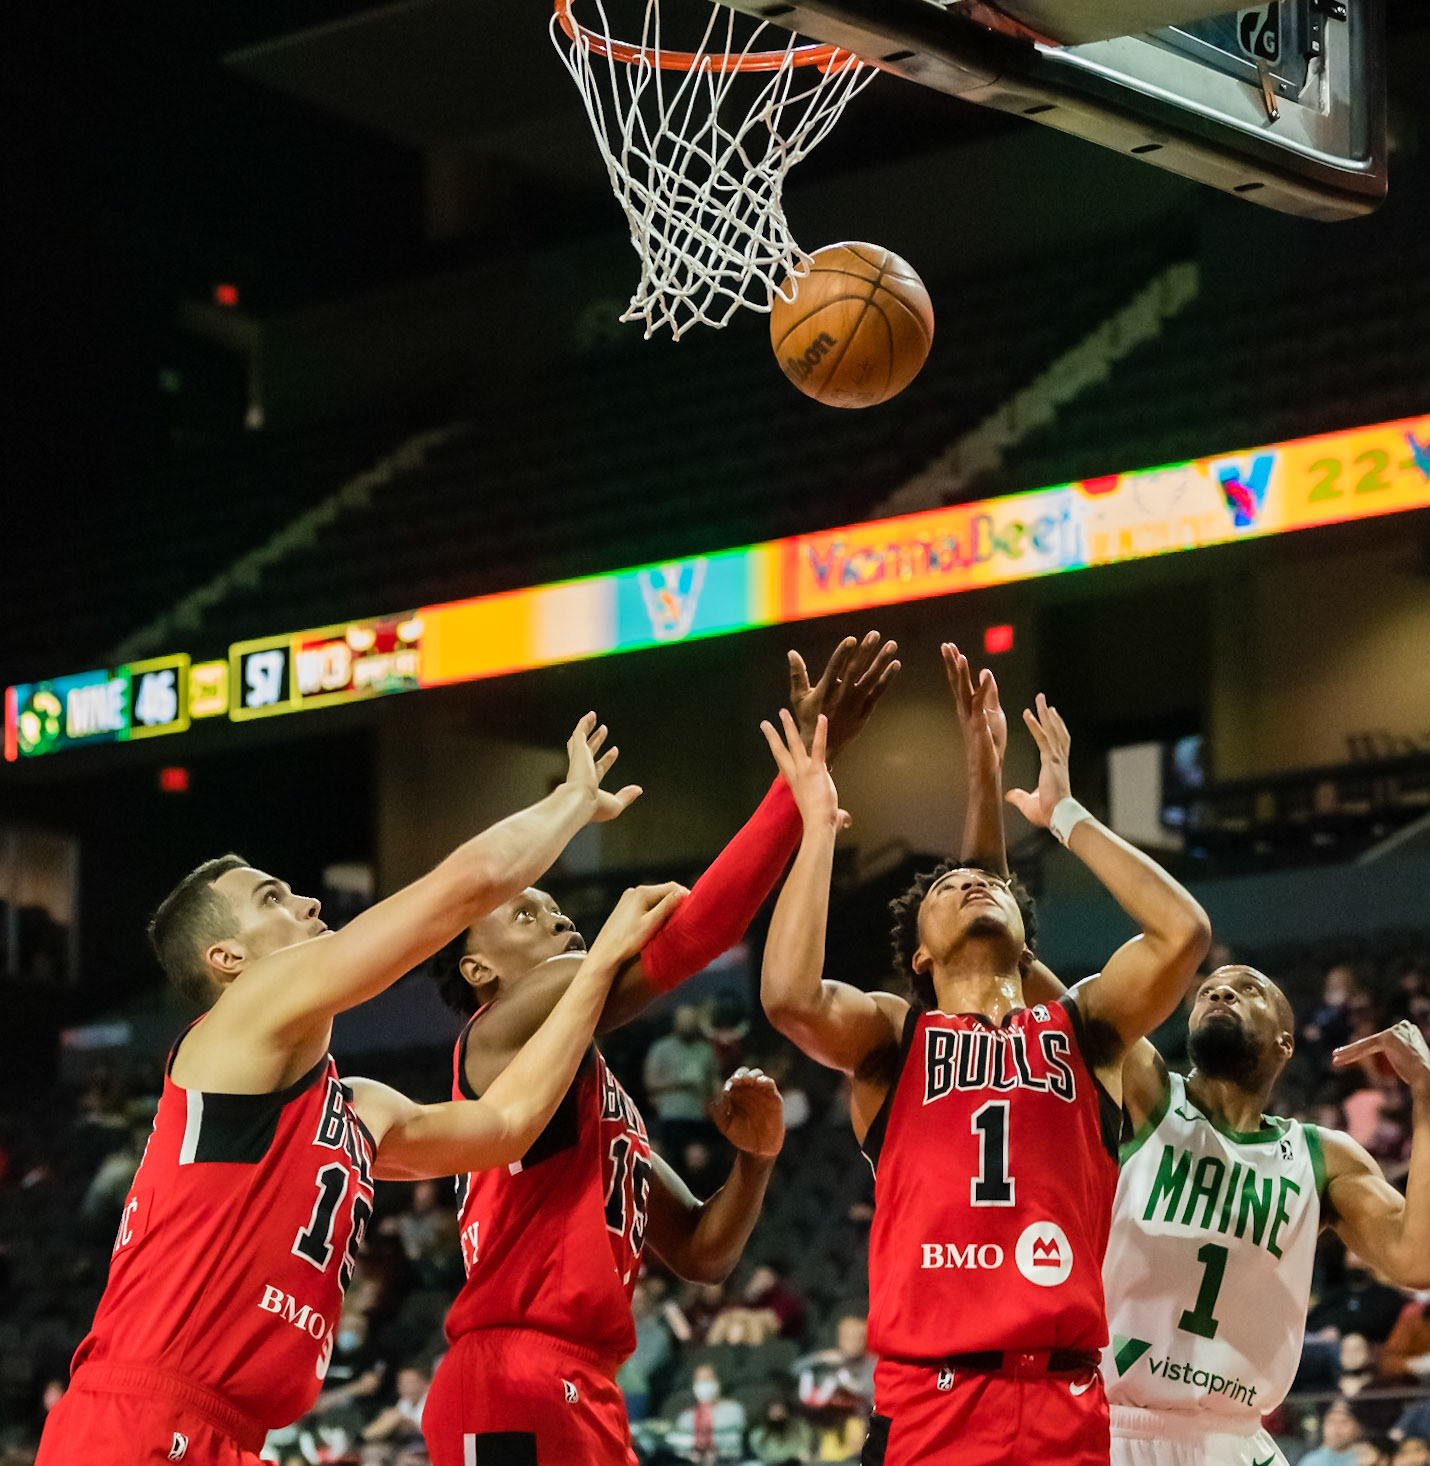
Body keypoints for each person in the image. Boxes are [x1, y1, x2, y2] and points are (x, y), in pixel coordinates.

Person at [37, 715, 679, 1466]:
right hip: (140, 1424)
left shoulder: (353, 1108)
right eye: (274, 898)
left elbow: (508, 1123)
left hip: (230, 1434)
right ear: (228, 958)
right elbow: (465, 889)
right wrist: (569, 801)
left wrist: (597, 972)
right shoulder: (241, 1019)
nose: (307, 904)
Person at [421, 634, 900, 1466]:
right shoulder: (497, 1028)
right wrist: (799, 789)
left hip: (584, 1379)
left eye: (555, 909)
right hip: (516, 1370)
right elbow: (700, 932)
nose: (562, 919)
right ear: (478, 967)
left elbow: (702, 1253)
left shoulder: (594, 1087)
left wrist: (752, 1164)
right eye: (524, 913)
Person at [945, 650, 1430, 1466]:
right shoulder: (1140, 1089)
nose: (1219, 991)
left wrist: (1428, 1096)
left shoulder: (1321, 1158)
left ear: (1285, 1040)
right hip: (1113, 1426)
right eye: (1212, 987)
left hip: (1237, 1443)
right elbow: (1006, 963)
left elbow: (1417, 1256)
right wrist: (1001, 787)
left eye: (1247, 987)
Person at [759, 653, 1212, 1466]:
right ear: (921, 959)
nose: (972, 889)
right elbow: (790, 997)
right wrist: (818, 826)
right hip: (933, 1401)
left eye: (990, 887)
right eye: (944, 891)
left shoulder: (1083, 1027)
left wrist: (1065, 813)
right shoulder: (896, 1038)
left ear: (1027, 938)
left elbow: (1182, 935)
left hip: (1068, 1400)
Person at [644, 1006, 721, 1155]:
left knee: (697, 1161)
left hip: (697, 1119)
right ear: (675, 1022)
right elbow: (650, 1082)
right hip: (668, 1118)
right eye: (683, 1020)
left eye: (690, 1020)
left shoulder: (705, 1051)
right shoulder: (661, 1048)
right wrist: (680, 1082)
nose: (687, 1024)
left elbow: (714, 1085)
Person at [664, 1364, 747, 1464]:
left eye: (707, 1379)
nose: (703, 1384)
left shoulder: (733, 1410)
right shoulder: (686, 1416)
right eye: (699, 1380)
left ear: (718, 1383)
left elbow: (731, 1444)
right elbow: (680, 1449)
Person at [1301, 1399, 1366, 1466]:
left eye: (1344, 1422)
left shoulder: (1368, 1459)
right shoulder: (1311, 1461)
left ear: (1358, 1428)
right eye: (1331, 1421)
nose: (1336, 1429)